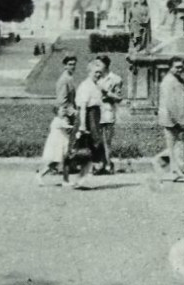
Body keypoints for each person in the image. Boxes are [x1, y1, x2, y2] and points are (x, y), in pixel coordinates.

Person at [40, 54, 80, 180]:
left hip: (69, 113)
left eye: (74, 64)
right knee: (64, 143)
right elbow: (63, 101)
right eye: (69, 64)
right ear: (64, 65)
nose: (72, 66)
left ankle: (66, 166)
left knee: (69, 143)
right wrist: (72, 113)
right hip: (65, 116)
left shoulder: (69, 77)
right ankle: (56, 168)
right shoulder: (64, 80)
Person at [71, 57, 106, 189]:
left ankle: (82, 179)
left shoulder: (95, 85)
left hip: (94, 117)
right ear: (89, 72)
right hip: (88, 118)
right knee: (88, 149)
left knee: (90, 151)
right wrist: (83, 126)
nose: (98, 74)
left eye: (100, 72)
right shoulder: (86, 86)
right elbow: (84, 107)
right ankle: (81, 179)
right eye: (95, 72)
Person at [154, 58, 184, 182]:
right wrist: (178, 120)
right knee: (173, 145)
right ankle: (173, 170)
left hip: (176, 116)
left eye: (181, 67)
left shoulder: (177, 79)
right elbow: (170, 103)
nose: (180, 69)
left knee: (176, 145)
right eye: (177, 67)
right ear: (170, 67)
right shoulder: (168, 81)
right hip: (171, 117)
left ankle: (173, 168)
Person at [94, 53, 123, 175]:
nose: (96, 67)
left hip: (107, 112)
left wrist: (108, 94)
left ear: (105, 65)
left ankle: (108, 165)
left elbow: (119, 97)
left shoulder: (116, 79)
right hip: (95, 112)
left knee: (107, 140)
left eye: (98, 64)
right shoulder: (95, 78)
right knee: (97, 140)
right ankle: (100, 164)